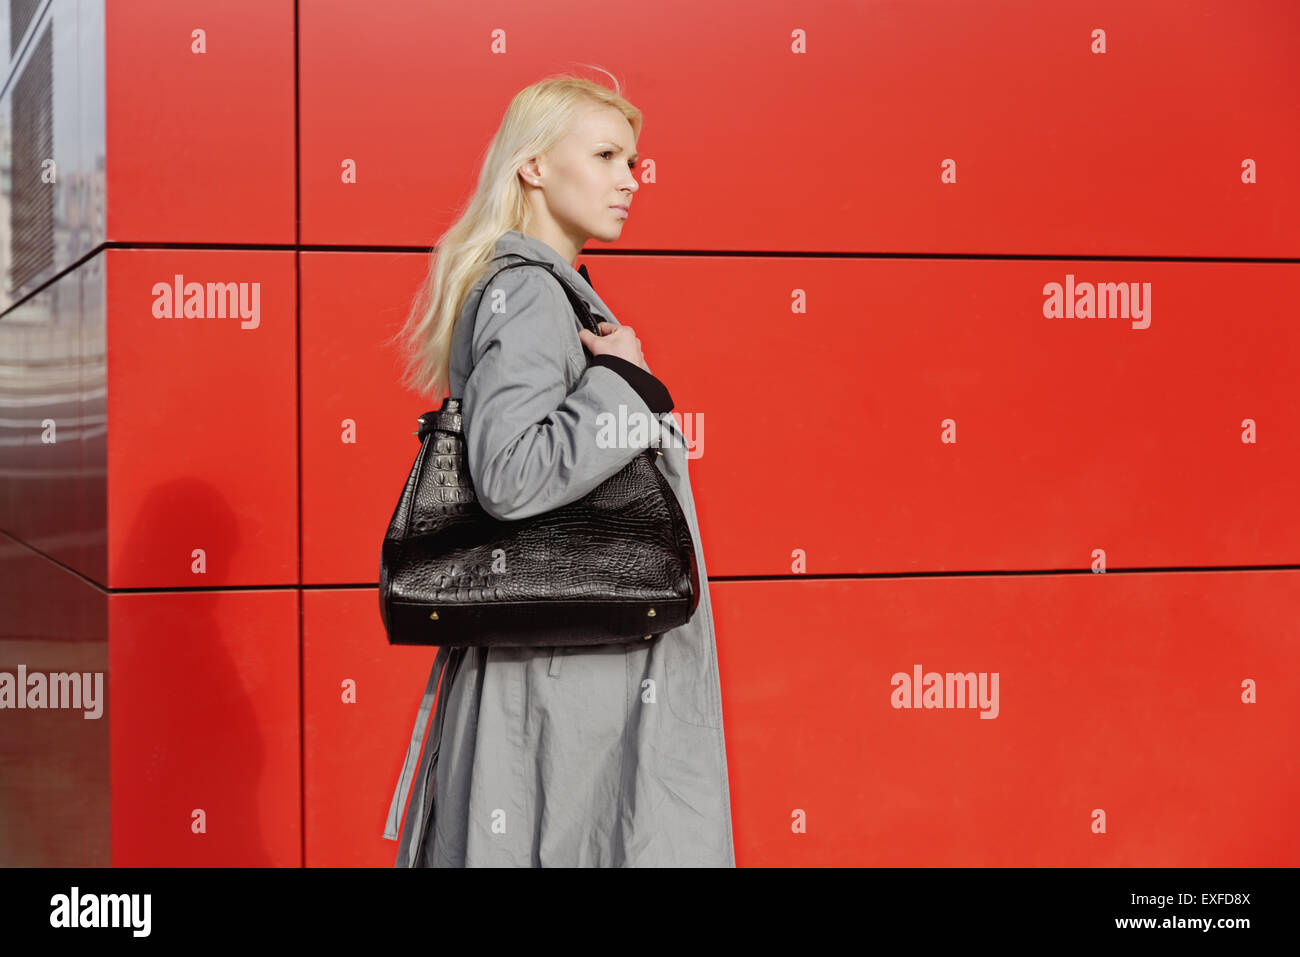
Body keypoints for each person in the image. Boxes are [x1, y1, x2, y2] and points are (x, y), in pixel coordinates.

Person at [381, 71, 734, 867]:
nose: (629, 179)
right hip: (561, 678)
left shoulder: (548, 292)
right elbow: (509, 473)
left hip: (560, 661)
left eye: (634, 161)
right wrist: (627, 382)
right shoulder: (532, 294)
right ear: (534, 166)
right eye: (607, 154)